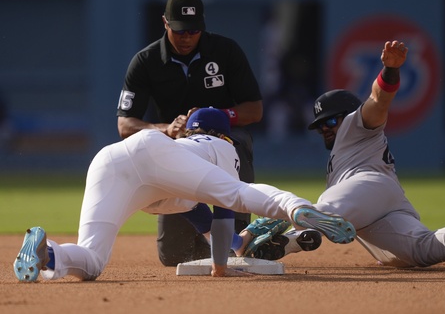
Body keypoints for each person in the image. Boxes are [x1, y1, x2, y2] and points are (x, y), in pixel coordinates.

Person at [13, 108, 356, 282]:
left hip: (111, 160)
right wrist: (220, 267)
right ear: (224, 134)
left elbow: (197, 212)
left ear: (192, 129)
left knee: (92, 260)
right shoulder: (224, 146)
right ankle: (296, 207)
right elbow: (223, 208)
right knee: (238, 194)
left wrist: (236, 245)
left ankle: (49, 255)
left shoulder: (185, 151)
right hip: (156, 158)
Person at [254, 40, 445, 272]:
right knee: (418, 250)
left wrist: (389, 71)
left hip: (368, 184)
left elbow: (378, 101)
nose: (324, 128)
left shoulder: (356, 124)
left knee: (322, 210)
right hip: (384, 204)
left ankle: (286, 232)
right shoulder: (343, 147)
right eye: (319, 126)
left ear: (349, 114)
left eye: (330, 120)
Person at [116, 0, 264, 266]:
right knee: (173, 256)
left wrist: (213, 116)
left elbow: (254, 110)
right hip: (176, 142)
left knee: (239, 144)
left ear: (203, 26)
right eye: (179, 31)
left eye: (193, 31)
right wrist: (166, 128)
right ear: (165, 23)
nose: (186, 38)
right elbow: (125, 124)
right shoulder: (146, 61)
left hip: (225, 133)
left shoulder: (225, 50)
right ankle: (209, 240)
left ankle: (239, 236)